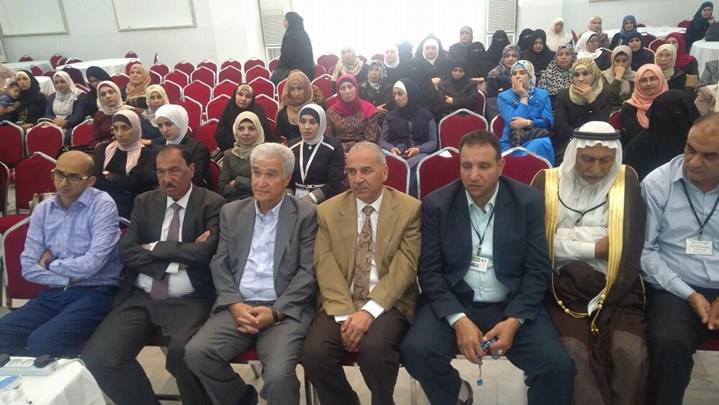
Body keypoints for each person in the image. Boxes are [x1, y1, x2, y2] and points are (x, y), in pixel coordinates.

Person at [401, 130, 575, 405]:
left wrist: (514, 320)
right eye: (466, 166)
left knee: (558, 367)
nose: (473, 175)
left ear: (500, 166)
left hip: (511, 303)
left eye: (483, 166)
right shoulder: (437, 204)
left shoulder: (527, 202)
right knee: (416, 351)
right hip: (456, 301)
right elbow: (430, 272)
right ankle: (457, 395)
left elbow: (537, 269)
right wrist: (458, 320)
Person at [82, 145, 224, 405]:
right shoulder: (145, 201)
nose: (167, 179)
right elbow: (127, 250)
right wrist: (179, 256)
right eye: (160, 172)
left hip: (188, 298)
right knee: (99, 358)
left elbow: (205, 252)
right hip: (143, 294)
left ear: (192, 170)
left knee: (184, 356)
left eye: (174, 171)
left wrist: (155, 247)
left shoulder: (212, 203)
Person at [184, 143, 317, 405]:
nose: (261, 181)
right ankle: (242, 399)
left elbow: (308, 272)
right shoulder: (232, 212)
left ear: (287, 178)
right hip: (239, 306)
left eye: (271, 174)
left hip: (284, 310)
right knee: (197, 353)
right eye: (256, 172)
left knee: (278, 376)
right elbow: (220, 263)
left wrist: (275, 312)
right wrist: (234, 305)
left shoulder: (305, 214)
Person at [531, 121, 648, 405]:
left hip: (616, 287)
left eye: (605, 160)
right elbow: (538, 244)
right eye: (587, 159)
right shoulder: (547, 182)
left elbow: (625, 243)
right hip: (561, 288)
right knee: (574, 352)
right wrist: (595, 245)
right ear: (574, 154)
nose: (596, 169)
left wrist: (564, 237)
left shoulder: (625, 182)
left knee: (629, 352)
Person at [303, 142, 420, 405]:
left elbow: (405, 268)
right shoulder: (327, 211)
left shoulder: (409, 210)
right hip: (341, 299)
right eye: (351, 172)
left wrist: (369, 312)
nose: (357, 179)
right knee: (314, 354)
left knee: (375, 352)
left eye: (366, 171)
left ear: (385, 172)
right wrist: (347, 316)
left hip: (389, 302)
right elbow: (325, 265)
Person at [0, 151, 121, 356]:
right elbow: (28, 267)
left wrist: (50, 264)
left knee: (43, 341)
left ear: (90, 181)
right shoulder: (43, 209)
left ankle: (69, 371)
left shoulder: (102, 205)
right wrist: (68, 277)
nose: (64, 183)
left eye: (74, 177)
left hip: (95, 292)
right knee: (3, 334)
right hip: (53, 292)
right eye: (59, 174)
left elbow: (92, 265)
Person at [641, 112, 719, 405]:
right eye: (690, 149)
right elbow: (645, 251)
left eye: (710, 156)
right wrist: (690, 294)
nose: (694, 162)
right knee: (668, 342)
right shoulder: (657, 183)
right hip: (673, 285)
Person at [93, 110, 157, 219]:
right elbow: (96, 179)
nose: (119, 133)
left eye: (125, 128)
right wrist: (118, 179)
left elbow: (135, 184)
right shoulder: (104, 149)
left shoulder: (146, 154)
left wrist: (109, 176)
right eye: (115, 128)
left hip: (129, 206)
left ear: (135, 128)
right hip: (100, 200)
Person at [626, 90, 700, 180]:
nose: (672, 123)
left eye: (677, 116)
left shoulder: (700, 144)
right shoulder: (638, 147)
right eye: (664, 115)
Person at [497, 60, 555, 164]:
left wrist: (529, 122)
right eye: (514, 74)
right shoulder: (503, 97)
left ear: (530, 76)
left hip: (536, 137)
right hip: (512, 143)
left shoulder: (543, 95)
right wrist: (523, 97)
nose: (517, 76)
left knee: (542, 143)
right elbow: (514, 123)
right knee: (540, 144)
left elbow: (548, 122)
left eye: (522, 73)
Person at [289, 104, 345, 204]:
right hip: (295, 200)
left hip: (324, 201)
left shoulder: (333, 147)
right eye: (302, 122)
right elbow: (287, 178)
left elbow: (335, 182)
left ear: (321, 124)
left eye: (312, 122)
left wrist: (310, 199)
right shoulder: (292, 146)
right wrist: (289, 198)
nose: (306, 127)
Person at [380, 78, 438, 173]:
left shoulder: (426, 115)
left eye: (400, 94)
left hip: (419, 156)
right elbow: (382, 141)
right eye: (394, 94)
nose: (396, 98)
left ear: (410, 94)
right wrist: (391, 148)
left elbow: (433, 142)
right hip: (396, 156)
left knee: (422, 163)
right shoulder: (390, 117)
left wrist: (419, 149)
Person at [554, 58, 611, 153]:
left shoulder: (604, 93)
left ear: (594, 75)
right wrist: (583, 137)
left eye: (585, 74)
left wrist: (592, 101)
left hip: (598, 141)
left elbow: (603, 124)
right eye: (576, 75)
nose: (581, 79)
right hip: (571, 141)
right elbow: (562, 129)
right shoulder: (564, 95)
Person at [156, 104, 210, 187]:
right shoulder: (159, 147)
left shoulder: (198, 148)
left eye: (169, 124)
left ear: (180, 123)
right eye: (160, 126)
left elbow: (195, 179)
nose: (164, 130)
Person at [218, 111, 265, 202]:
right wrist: (249, 188)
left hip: (260, 202)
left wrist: (237, 182)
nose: (246, 133)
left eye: (251, 129)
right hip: (233, 203)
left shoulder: (266, 154)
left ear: (259, 130)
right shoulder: (229, 154)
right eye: (241, 129)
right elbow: (222, 189)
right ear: (235, 131)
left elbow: (264, 186)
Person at [326, 74, 380, 152]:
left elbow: (371, 139)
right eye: (342, 88)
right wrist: (339, 151)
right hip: (337, 152)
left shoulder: (369, 109)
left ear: (356, 88)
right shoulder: (331, 113)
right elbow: (329, 139)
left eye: (350, 87)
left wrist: (352, 151)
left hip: (363, 151)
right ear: (338, 91)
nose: (347, 91)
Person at [620, 64, 669, 145]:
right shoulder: (629, 107)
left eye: (652, 79)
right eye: (643, 80)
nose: (648, 83)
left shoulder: (670, 103)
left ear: (661, 80)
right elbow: (635, 135)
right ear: (637, 83)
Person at [215, 84, 272, 151]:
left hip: (256, 150)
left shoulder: (258, 112)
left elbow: (265, 136)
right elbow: (220, 137)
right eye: (240, 95)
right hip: (230, 149)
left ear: (252, 99)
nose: (243, 99)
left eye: (248, 96)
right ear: (235, 96)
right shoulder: (229, 110)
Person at [92, 80, 144, 145]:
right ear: (100, 98)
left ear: (118, 93)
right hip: (106, 149)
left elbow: (144, 135)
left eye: (111, 92)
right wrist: (101, 147)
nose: (108, 96)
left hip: (131, 147)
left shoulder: (132, 112)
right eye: (103, 94)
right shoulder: (99, 115)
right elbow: (94, 139)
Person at [66, 66, 111, 137]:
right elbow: (79, 114)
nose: (95, 84)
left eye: (97, 80)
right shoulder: (88, 97)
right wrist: (67, 122)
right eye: (91, 82)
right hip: (97, 127)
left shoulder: (116, 92)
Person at [273, 11, 315, 83]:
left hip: (293, 72)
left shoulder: (290, 35)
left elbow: (287, 55)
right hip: (307, 71)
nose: (283, 23)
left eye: (285, 20)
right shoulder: (303, 33)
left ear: (290, 21)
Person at [275, 70, 314, 143]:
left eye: (299, 88)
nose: (296, 93)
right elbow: (278, 139)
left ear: (306, 89)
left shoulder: (316, 111)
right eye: (292, 89)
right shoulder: (283, 114)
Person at [602, 45, 636, 111]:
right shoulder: (604, 76)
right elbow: (608, 99)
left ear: (629, 61)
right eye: (617, 61)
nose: (621, 64)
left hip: (629, 110)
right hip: (609, 111)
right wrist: (618, 77)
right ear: (612, 61)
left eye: (624, 61)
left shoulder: (635, 76)